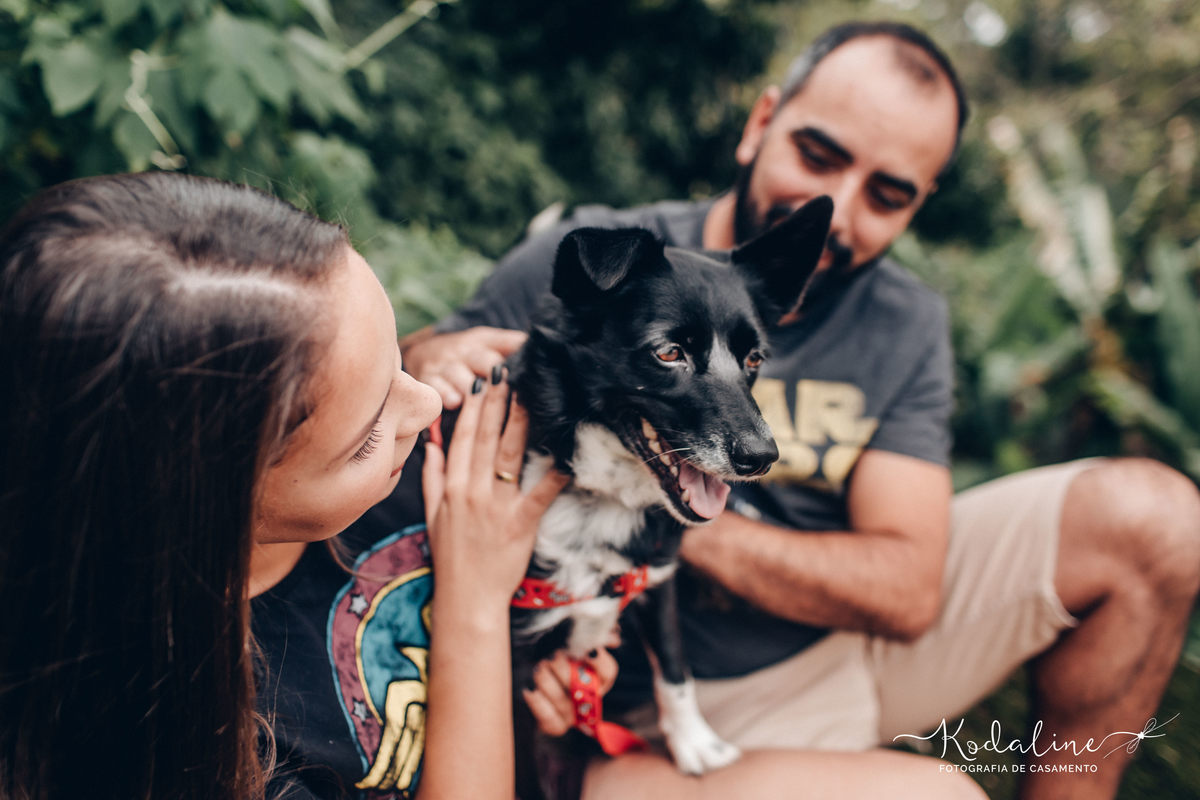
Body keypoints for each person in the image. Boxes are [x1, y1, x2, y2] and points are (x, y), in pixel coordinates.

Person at [400, 20, 1200, 799]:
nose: (837, 210)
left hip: (850, 656)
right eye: (819, 154)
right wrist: (428, 355)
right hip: (626, 684)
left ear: (921, 204)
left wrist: (656, 507)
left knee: (1157, 520)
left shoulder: (906, 320)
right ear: (760, 123)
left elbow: (907, 593)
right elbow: (417, 378)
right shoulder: (594, 260)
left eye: (888, 194)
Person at [0, 171, 979, 800]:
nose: (431, 403)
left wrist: (549, 655)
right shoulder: (209, 735)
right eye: (369, 425)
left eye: (403, 355)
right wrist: (472, 609)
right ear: (203, 491)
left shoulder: (382, 476)